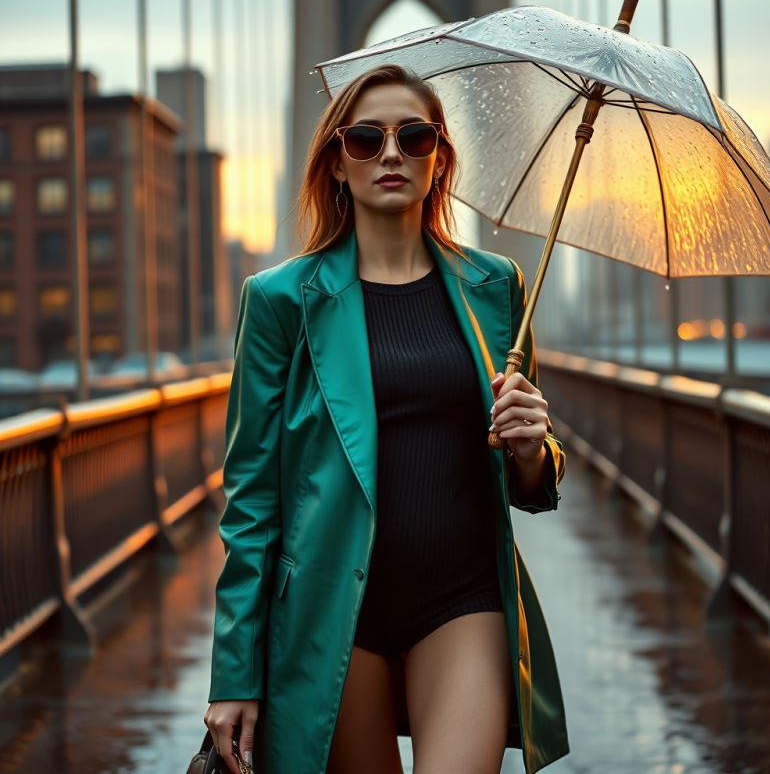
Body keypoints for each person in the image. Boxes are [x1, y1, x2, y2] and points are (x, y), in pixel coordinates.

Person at [204, 63, 568, 774]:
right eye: (366, 139)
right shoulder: (279, 301)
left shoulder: (497, 287)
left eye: (415, 137)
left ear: (440, 160)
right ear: (337, 163)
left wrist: (531, 448)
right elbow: (251, 502)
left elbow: (530, 481)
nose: (392, 153)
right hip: (331, 611)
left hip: (463, 601)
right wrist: (234, 673)